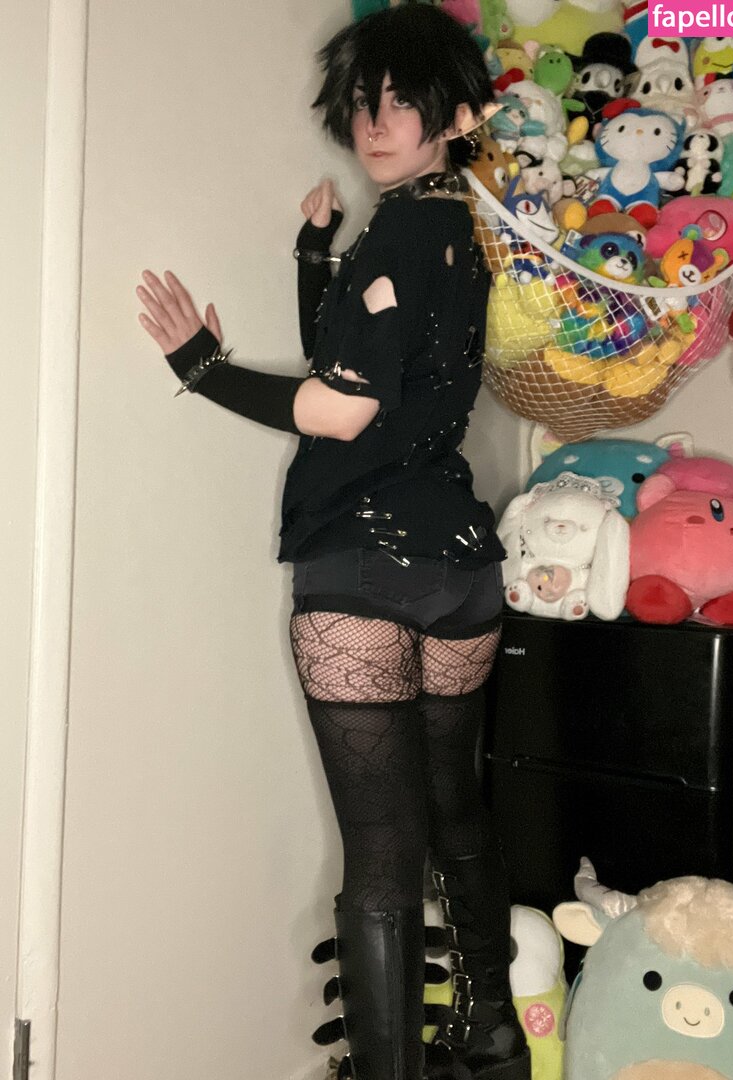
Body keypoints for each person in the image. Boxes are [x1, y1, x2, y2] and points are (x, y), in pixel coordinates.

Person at [136, 6, 528, 1079]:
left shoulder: (401, 230)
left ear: (456, 114)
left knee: (382, 851)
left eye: (402, 101)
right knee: (456, 811)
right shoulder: (458, 227)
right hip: (460, 566)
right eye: (362, 102)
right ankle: (492, 1036)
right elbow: (373, 369)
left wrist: (202, 369)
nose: (375, 122)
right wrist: (316, 257)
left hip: (365, 561)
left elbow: (341, 409)